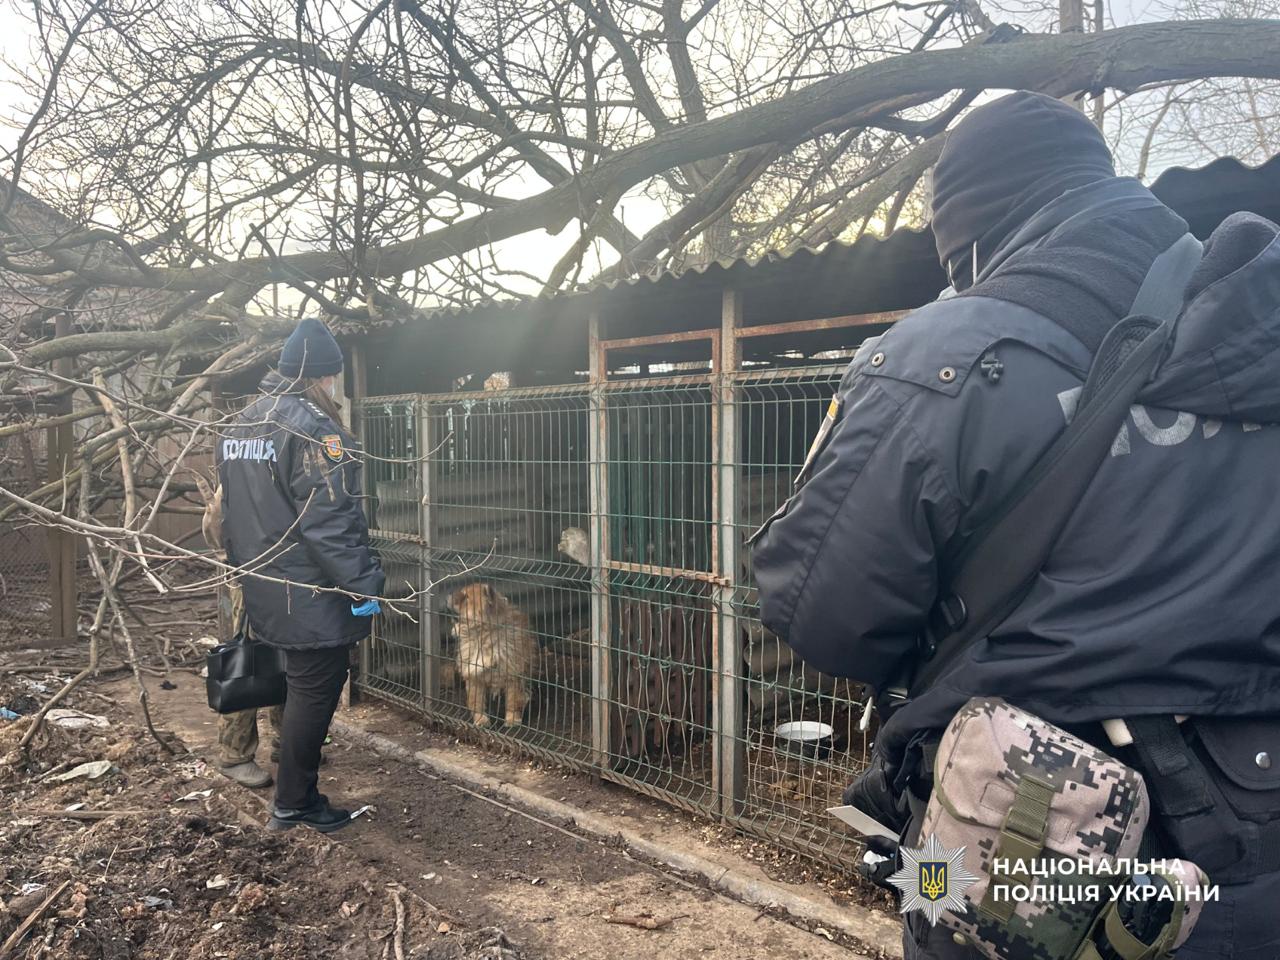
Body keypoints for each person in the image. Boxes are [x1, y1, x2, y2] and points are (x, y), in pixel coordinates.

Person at [752, 91, 1280, 959]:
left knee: (938, 888)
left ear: (970, 229)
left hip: (1027, 844)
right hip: (1255, 845)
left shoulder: (944, 352)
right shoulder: (1256, 326)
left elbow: (824, 615)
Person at [217, 317, 385, 833]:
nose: (337, 385)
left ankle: (296, 792)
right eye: (334, 376)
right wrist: (364, 584)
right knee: (316, 690)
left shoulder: (242, 423)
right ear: (323, 375)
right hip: (309, 590)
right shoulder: (314, 429)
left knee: (294, 687)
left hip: (263, 581)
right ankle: (294, 804)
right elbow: (329, 520)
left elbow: (236, 513)